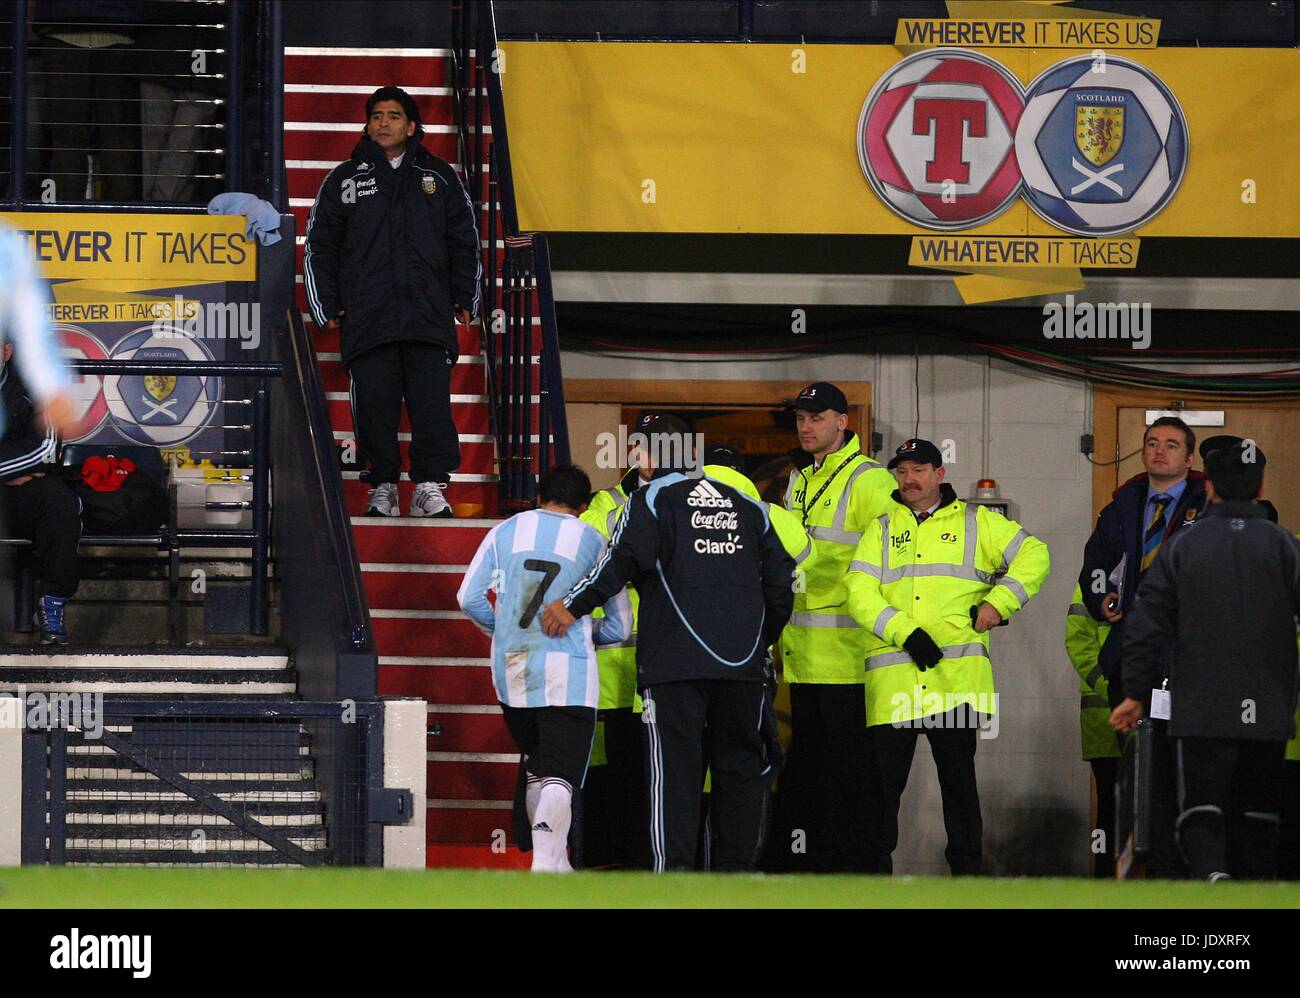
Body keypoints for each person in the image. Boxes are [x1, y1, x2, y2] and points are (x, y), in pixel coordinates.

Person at [540, 443, 796, 873]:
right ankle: (736, 882)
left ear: (655, 460)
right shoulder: (749, 505)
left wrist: (573, 604)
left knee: (674, 778)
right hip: (743, 670)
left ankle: (674, 882)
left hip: (674, 668)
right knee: (740, 775)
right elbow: (782, 580)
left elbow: (620, 559)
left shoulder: (654, 498)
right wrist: (757, 640)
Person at [844, 438, 1050, 875]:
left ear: (940, 474)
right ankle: (871, 880)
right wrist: (904, 631)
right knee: (880, 790)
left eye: (919, 470)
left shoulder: (978, 523)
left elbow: (1035, 554)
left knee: (959, 787)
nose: (909, 479)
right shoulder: (880, 528)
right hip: (894, 684)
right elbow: (857, 593)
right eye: (901, 472)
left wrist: (998, 604)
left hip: (953, 685)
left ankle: (967, 879)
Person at [1111, 438, 1300, 881]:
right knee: (1259, 808)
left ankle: (1212, 877)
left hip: (1201, 703)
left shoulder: (1183, 546)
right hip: (1268, 703)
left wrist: (1135, 692)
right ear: (1261, 487)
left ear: (1209, 486)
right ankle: (1254, 890)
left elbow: (1144, 623)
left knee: (1201, 804)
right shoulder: (1285, 546)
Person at [304, 85, 481, 518]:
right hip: (369, 318)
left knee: (431, 407)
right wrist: (326, 302)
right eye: (377, 115)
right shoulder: (344, 179)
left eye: (394, 115)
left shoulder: (439, 176)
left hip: (427, 314)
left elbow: (464, 240)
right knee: (375, 408)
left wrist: (464, 294)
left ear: (413, 125)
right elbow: (319, 245)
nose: (384, 122)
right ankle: (382, 485)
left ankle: (428, 486)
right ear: (367, 124)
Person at [456, 464, 631, 873]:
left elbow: (468, 596)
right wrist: (589, 633)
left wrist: (501, 631)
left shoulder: (505, 530)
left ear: (538, 498)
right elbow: (622, 625)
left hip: (511, 670)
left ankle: (550, 861)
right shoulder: (595, 540)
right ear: (584, 506)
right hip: (567, 673)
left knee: (539, 761)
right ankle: (546, 861)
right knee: (560, 771)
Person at [1077, 415, 1206, 877]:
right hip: (1131, 661)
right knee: (1131, 776)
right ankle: (1131, 876)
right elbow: (1095, 565)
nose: (1159, 451)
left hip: (1186, 664)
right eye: (1152, 443)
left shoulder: (1205, 507)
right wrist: (1101, 597)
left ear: (1189, 459)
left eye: (1172, 445)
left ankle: (1179, 872)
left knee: (1179, 776)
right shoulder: (1123, 506)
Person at [775, 381, 895, 873]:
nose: (806, 425)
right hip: (802, 660)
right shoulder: (799, 480)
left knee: (854, 777)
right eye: (801, 418)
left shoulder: (870, 480)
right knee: (810, 774)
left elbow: (892, 562)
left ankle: (861, 875)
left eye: (817, 417)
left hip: (849, 659)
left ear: (843, 422)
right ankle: (816, 872)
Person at [1065, 582, 1119, 877]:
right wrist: (1115, 689)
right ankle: (1105, 883)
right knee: (1109, 809)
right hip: (1105, 721)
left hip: (1147, 717)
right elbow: (1078, 642)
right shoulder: (1093, 583)